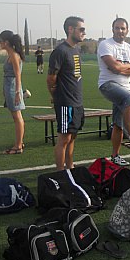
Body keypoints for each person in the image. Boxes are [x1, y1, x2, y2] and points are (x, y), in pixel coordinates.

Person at [97, 17, 130, 165]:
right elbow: (113, 67)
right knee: (129, 97)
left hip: (124, 87)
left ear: (127, 30)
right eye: (117, 28)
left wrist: (121, 67)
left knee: (117, 124)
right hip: (108, 84)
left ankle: (115, 156)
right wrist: (127, 66)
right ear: (113, 29)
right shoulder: (105, 45)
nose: (120, 31)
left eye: (123, 28)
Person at [47, 16, 86, 171]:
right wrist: (55, 95)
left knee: (73, 136)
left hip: (77, 101)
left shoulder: (76, 49)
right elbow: (51, 79)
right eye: (81, 29)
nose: (84, 32)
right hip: (65, 102)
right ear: (71, 29)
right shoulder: (60, 51)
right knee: (64, 138)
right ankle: (60, 172)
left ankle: (70, 167)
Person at [0, 30, 26, 154]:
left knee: (17, 116)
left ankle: (18, 145)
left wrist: (16, 93)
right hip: (9, 86)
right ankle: (19, 141)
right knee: (15, 116)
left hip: (13, 87)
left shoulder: (14, 55)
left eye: (0, 41)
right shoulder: (10, 55)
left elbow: (18, 75)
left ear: (6, 42)